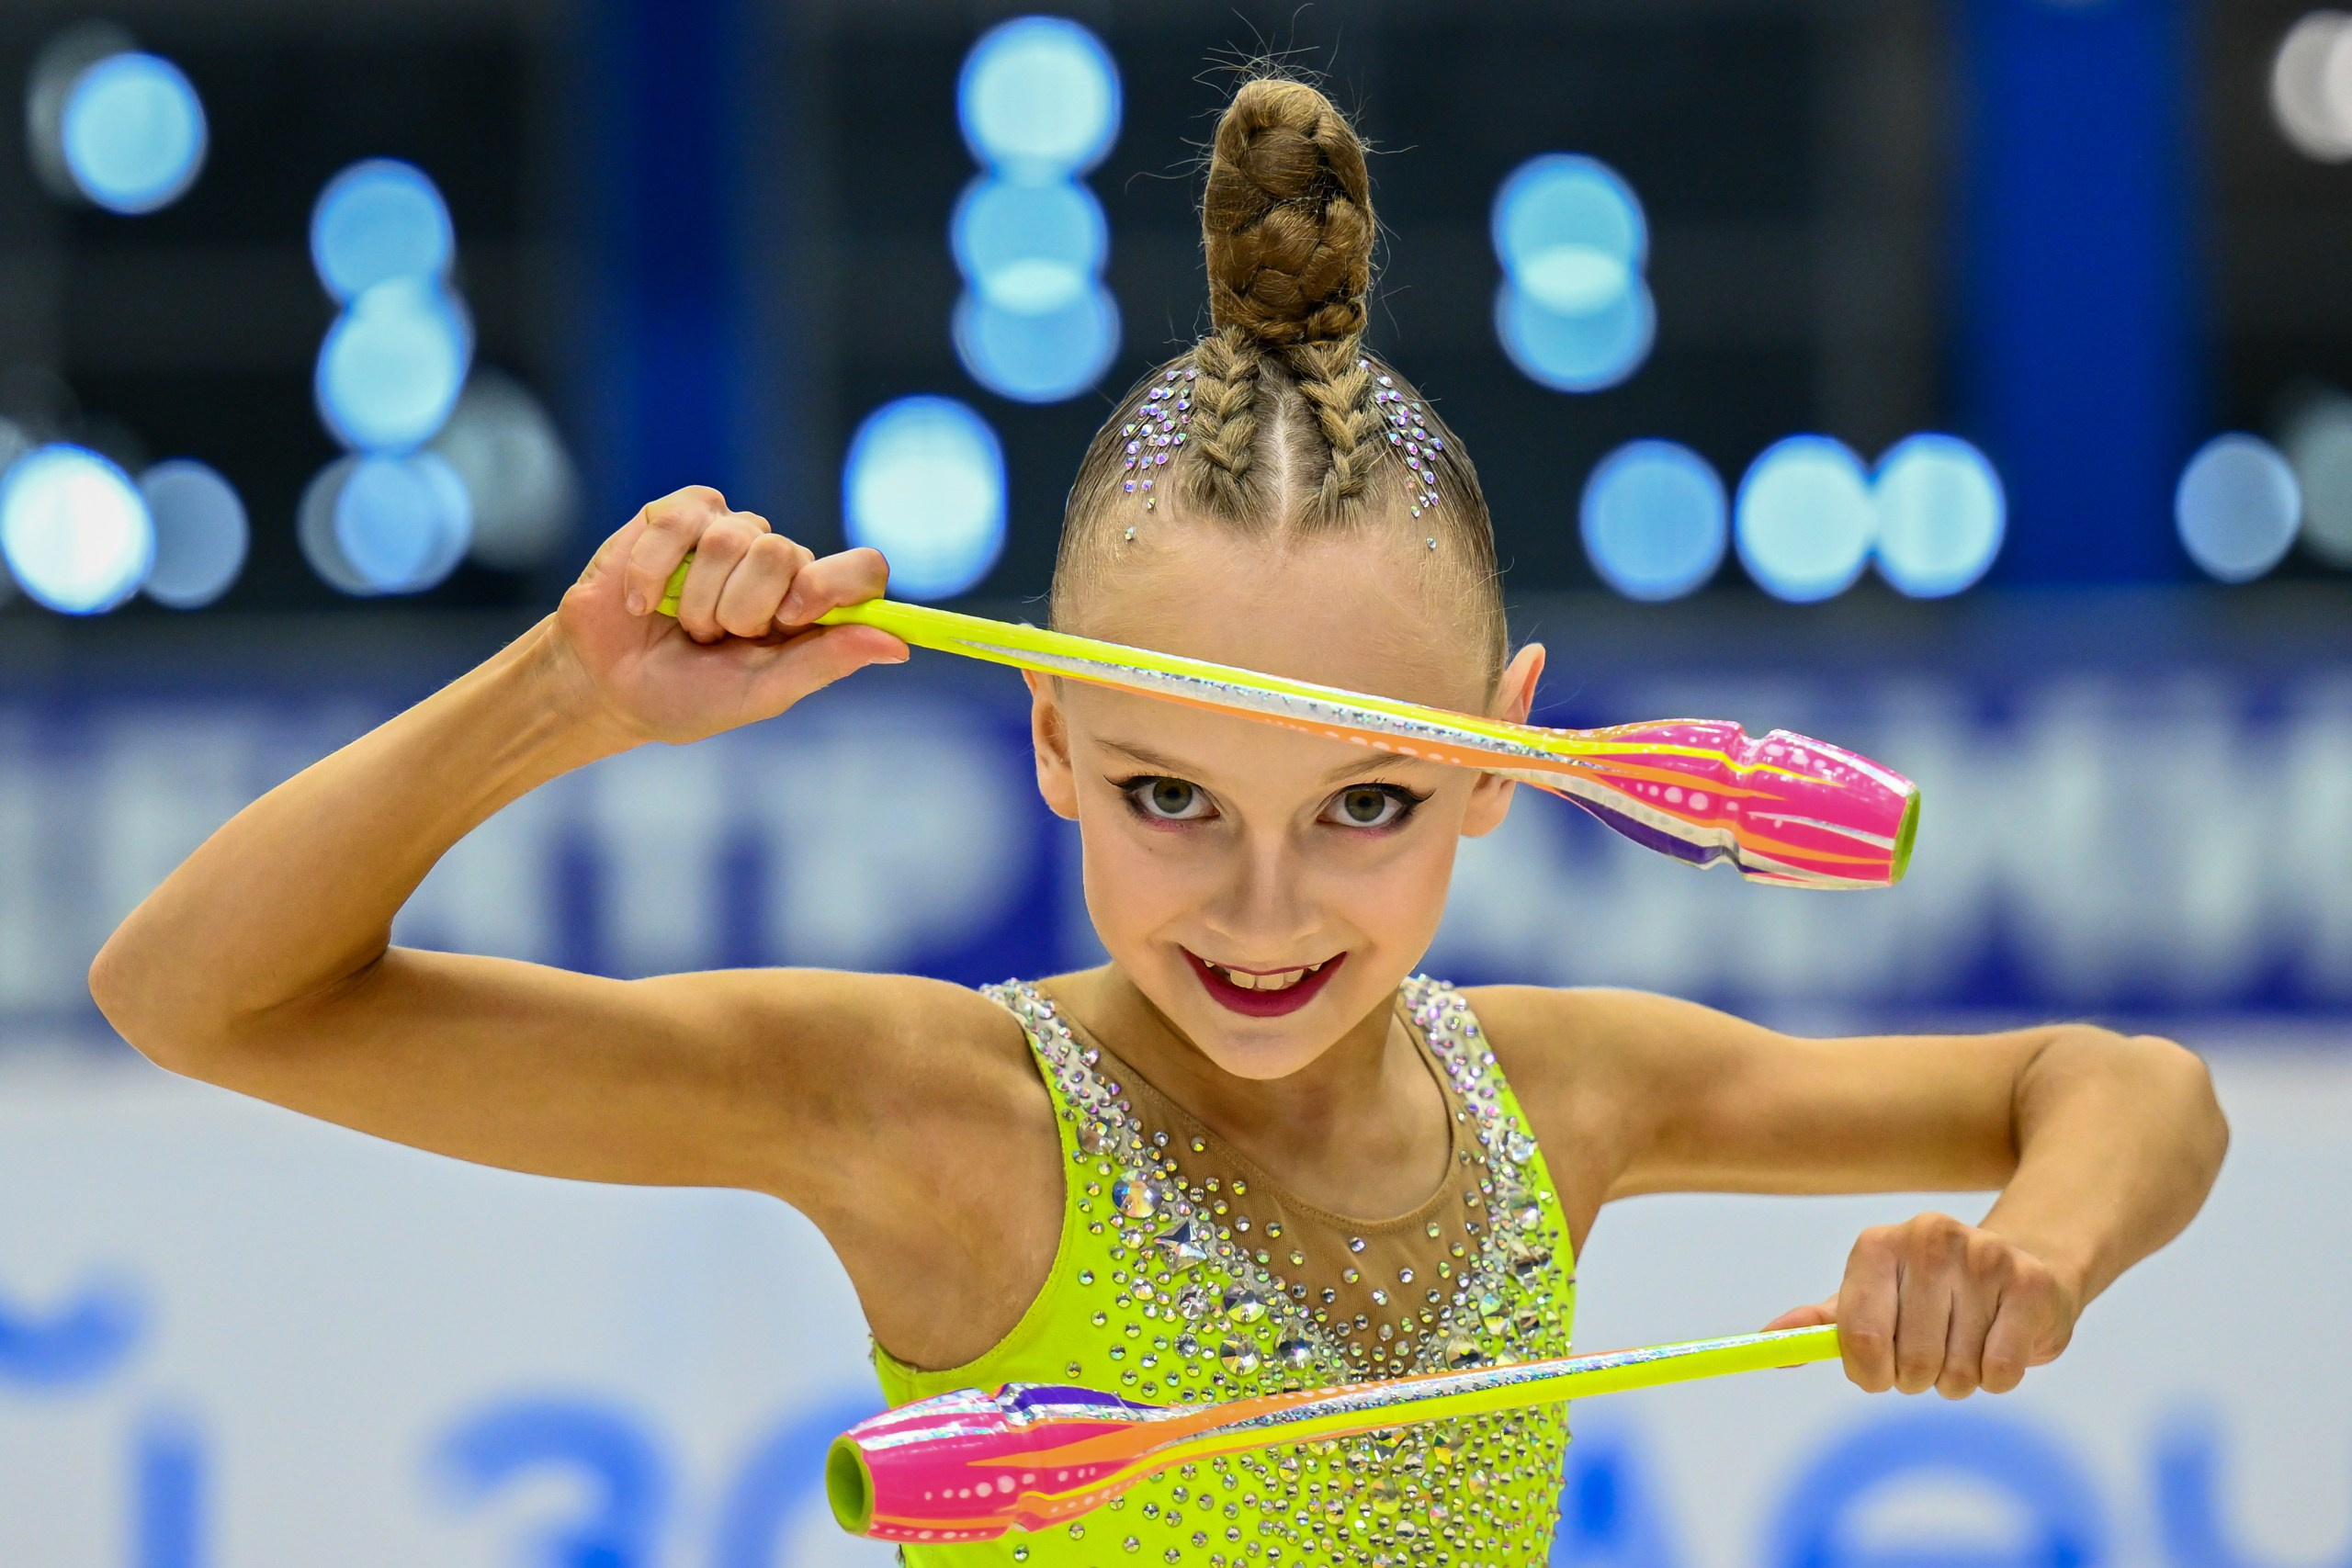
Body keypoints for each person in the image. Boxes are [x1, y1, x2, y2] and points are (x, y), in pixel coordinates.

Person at [92, 77, 2225, 1565]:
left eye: (1369, 800)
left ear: (1500, 757)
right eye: (1168, 794)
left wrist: (2023, 1260)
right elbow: (193, 995)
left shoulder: (1562, 1097)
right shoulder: (926, 1113)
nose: (1266, 900)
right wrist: (554, 694)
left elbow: (2118, 1084)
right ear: (1045, 737)